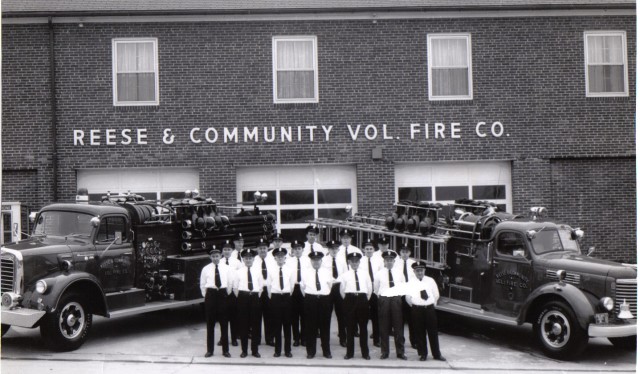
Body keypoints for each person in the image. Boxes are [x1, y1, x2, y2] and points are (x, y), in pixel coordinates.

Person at [406, 260, 446, 362]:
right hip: (417, 310)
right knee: (419, 332)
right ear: (414, 272)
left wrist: (430, 304)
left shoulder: (430, 281)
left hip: (429, 309)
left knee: (433, 332)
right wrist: (416, 305)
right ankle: (423, 354)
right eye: (417, 271)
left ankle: (437, 354)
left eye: (421, 270)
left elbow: (436, 294)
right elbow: (408, 297)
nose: (420, 273)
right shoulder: (411, 282)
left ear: (425, 270)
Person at [200, 246, 232, 358]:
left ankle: (225, 350)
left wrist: (225, 294)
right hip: (211, 295)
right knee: (210, 324)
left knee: (224, 323)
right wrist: (207, 296)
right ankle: (210, 350)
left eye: (217, 256)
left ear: (221, 256)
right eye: (213, 256)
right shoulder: (205, 269)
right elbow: (202, 284)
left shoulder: (227, 268)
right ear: (210, 257)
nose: (215, 258)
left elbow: (230, 283)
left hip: (223, 294)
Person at [374, 250, 407, 360]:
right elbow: (376, 289)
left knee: (398, 327)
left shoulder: (399, 273)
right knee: (384, 327)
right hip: (384, 300)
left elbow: (403, 286)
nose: (389, 262)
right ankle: (384, 352)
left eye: (391, 260)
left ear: (394, 261)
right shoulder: (379, 273)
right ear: (384, 261)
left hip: (396, 300)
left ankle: (400, 352)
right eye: (387, 260)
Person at [300, 251, 333, 359]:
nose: (316, 262)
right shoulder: (305, 272)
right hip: (311, 300)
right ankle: (311, 351)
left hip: (324, 300)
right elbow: (302, 287)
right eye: (314, 260)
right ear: (311, 261)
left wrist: (322, 294)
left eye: (318, 260)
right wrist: (311, 296)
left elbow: (330, 285)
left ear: (321, 260)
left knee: (325, 326)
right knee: (310, 327)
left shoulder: (327, 272)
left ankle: (326, 351)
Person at [339, 252, 372, 360]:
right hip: (350, 300)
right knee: (350, 328)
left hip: (362, 300)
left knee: (363, 328)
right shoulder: (344, 275)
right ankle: (349, 352)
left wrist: (363, 300)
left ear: (359, 262)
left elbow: (369, 289)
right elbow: (342, 291)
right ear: (349, 262)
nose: (354, 263)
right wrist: (349, 300)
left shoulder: (365, 274)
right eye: (352, 261)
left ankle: (365, 353)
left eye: (356, 261)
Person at [233, 248, 264, 358]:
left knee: (256, 325)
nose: (248, 260)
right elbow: (235, 287)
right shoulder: (238, 272)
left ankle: (255, 350)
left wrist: (254, 296)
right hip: (243, 298)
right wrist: (243, 296)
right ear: (243, 259)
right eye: (246, 258)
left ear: (253, 259)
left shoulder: (258, 271)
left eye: (250, 258)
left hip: (255, 298)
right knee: (243, 325)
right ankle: (244, 350)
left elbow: (260, 287)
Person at [266, 247, 295, 358]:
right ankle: (277, 350)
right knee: (276, 325)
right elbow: (268, 286)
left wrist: (286, 294)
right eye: (278, 256)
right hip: (276, 298)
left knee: (287, 325)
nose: (280, 258)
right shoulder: (271, 270)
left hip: (287, 297)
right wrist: (274, 297)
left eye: (282, 256)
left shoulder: (290, 269)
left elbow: (292, 285)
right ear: (275, 258)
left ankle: (287, 350)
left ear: (285, 257)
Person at [321, 239, 347, 347]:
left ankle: (342, 338)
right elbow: (322, 274)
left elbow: (346, 274)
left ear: (338, 249)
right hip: (328, 288)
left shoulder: (342, 260)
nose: (334, 250)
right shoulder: (324, 260)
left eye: (336, 248)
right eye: (332, 248)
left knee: (341, 315)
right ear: (328, 249)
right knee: (326, 316)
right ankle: (325, 340)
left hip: (339, 287)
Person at [286, 240, 310, 346]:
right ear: (292, 250)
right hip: (293, 289)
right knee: (293, 316)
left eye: (299, 248)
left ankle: (304, 337)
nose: (297, 250)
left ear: (302, 249)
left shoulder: (308, 261)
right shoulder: (288, 261)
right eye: (295, 248)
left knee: (304, 315)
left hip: (304, 289)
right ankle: (296, 338)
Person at [253, 238, 275, 346]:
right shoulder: (253, 260)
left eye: (264, 248)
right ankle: (256, 339)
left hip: (269, 290)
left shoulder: (272, 260)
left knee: (270, 316)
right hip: (257, 291)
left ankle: (270, 338)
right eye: (260, 248)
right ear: (257, 249)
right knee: (256, 316)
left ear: (267, 248)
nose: (262, 250)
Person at [394, 244, 416, 348]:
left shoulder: (414, 263)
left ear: (410, 252)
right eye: (403, 251)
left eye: (407, 251)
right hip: (399, 294)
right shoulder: (395, 263)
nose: (405, 254)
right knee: (399, 320)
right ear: (400, 252)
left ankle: (414, 341)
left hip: (410, 293)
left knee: (412, 319)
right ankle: (400, 342)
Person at [362, 238, 383, 348]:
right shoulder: (360, 261)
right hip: (364, 292)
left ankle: (376, 339)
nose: (369, 250)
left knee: (376, 316)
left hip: (375, 291)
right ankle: (363, 339)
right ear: (363, 250)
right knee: (364, 316)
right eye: (367, 249)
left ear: (374, 250)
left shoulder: (378, 261)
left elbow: (381, 276)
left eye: (371, 249)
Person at [221, 240, 241, 346]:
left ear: (232, 250)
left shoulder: (237, 262)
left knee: (233, 316)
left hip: (233, 292)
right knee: (223, 317)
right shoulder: (219, 262)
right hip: (223, 292)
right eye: (225, 249)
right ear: (222, 251)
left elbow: (241, 276)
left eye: (229, 249)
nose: (227, 251)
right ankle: (223, 338)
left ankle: (234, 338)